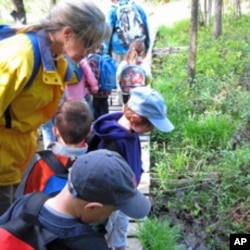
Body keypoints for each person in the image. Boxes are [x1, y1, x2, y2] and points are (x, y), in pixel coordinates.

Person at [0, 0, 110, 215]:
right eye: (89, 44)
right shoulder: (21, 56)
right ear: (67, 33)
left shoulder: (56, 58)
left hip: (15, 159)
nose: (91, 52)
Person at [0, 149, 151, 250]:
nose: (110, 215)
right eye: (112, 211)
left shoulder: (27, 202)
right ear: (92, 207)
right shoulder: (91, 245)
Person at [91, 87, 174, 250]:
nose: (152, 129)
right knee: (108, 228)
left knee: (121, 224)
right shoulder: (112, 144)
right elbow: (104, 181)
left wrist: (139, 170)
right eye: (151, 125)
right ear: (135, 119)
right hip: (111, 200)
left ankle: (120, 246)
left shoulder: (131, 131)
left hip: (127, 193)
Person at [14, 99, 93, 198]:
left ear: (55, 131)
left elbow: (20, 199)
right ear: (89, 132)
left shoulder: (37, 162)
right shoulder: (97, 165)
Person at [103, 0, 151, 105]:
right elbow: (145, 26)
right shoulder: (137, 7)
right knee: (138, 69)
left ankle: (122, 100)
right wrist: (146, 45)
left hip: (119, 47)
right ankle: (138, 96)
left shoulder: (113, 10)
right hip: (137, 45)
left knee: (121, 72)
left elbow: (108, 31)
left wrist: (106, 51)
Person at [116, 39, 152, 105]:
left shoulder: (124, 63)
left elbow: (118, 77)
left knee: (126, 107)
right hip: (140, 94)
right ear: (142, 52)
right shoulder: (143, 65)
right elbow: (149, 79)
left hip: (125, 94)